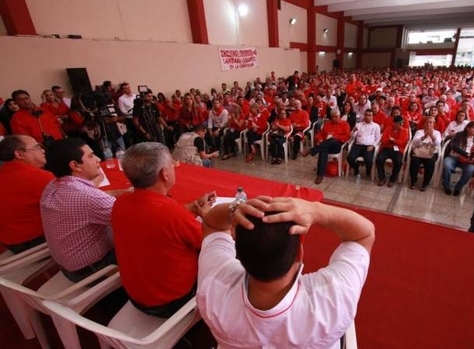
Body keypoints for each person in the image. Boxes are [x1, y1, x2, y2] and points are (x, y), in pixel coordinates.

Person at [196, 195, 375, 349]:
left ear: (238, 254)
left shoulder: (214, 286)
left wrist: (233, 209)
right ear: (300, 253)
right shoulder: (332, 297)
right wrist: (316, 210)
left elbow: (213, 225)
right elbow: (364, 234)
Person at [111, 142, 215, 317]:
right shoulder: (170, 213)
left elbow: (156, 219)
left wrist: (193, 207)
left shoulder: (120, 203)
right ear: (164, 174)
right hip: (172, 301)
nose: (175, 167)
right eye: (171, 164)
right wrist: (208, 216)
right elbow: (210, 240)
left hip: (136, 295)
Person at [41, 138, 123, 282]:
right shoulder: (89, 197)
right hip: (92, 270)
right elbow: (135, 222)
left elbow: (86, 192)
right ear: (75, 165)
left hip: (69, 265)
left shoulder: (53, 185)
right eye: (91, 156)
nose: (98, 159)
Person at [0, 135, 54, 253]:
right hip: (36, 244)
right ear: (19, 154)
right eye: (37, 147)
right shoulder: (39, 177)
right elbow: (75, 200)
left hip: (10, 244)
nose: (43, 150)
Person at [301, 109, 351, 184]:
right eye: (332, 117)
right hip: (325, 144)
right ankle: (320, 175)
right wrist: (320, 139)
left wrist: (335, 136)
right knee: (323, 150)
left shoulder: (345, 124)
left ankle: (311, 151)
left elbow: (347, 137)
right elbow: (321, 134)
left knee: (332, 140)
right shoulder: (328, 123)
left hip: (337, 146)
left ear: (339, 116)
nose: (334, 119)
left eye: (336, 117)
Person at [442, 121, 474, 196]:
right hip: (453, 157)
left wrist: (472, 157)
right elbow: (454, 146)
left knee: (470, 170)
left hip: (466, 161)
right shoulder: (459, 135)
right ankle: (446, 186)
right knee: (447, 165)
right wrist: (466, 154)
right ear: (468, 128)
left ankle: (458, 188)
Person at [375, 115, 410, 187]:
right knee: (379, 159)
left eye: (402, 123)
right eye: (399, 123)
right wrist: (389, 140)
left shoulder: (405, 131)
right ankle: (382, 178)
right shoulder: (388, 129)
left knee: (398, 161)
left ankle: (392, 179)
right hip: (387, 148)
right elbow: (383, 140)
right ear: (394, 123)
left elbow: (404, 142)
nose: (401, 124)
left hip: (398, 149)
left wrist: (394, 141)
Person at [409, 116, 441, 191]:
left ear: (434, 124)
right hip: (419, 152)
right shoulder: (419, 132)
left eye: (431, 122)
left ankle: (425, 183)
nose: (428, 124)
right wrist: (424, 136)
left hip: (431, 153)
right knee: (414, 161)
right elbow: (415, 142)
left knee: (430, 163)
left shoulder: (437, 133)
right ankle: (413, 181)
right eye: (427, 122)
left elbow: (437, 143)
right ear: (424, 124)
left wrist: (431, 135)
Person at [347, 109, 381, 178]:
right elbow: (352, 137)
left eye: (369, 115)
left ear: (372, 117)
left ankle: (368, 169)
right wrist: (353, 131)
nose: (367, 117)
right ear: (364, 116)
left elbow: (378, 138)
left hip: (368, 147)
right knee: (350, 158)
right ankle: (356, 168)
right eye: (366, 115)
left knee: (369, 161)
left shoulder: (376, 126)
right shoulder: (358, 125)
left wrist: (373, 146)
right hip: (358, 146)